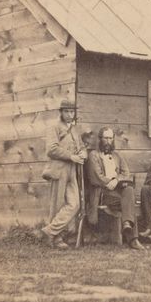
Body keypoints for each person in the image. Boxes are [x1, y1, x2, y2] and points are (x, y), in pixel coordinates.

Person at [85, 127, 144, 250]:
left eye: (111, 138)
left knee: (129, 191)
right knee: (129, 202)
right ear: (100, 139)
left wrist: (116, 180)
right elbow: (96, 177)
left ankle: (127, 224)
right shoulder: (93, 155)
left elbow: (126, 173)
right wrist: (109, 182)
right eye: (106, 138)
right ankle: (133, 239)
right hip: (102, 193)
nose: (108, 141)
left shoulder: (117, 156)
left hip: (117, 192)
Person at [42, 99, 88, 249]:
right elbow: (51, 149)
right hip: (58, 169)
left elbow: (81, 147)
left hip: (72, 171)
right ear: (61, 112)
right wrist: (71, 156)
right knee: (57, 205)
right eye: (67, 111)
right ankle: (57, 239)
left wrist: (83, 153)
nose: (70, 114)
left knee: (75, 204)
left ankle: (49, 231)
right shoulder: (54, 127)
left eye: (72, 111)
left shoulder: (74, 129)